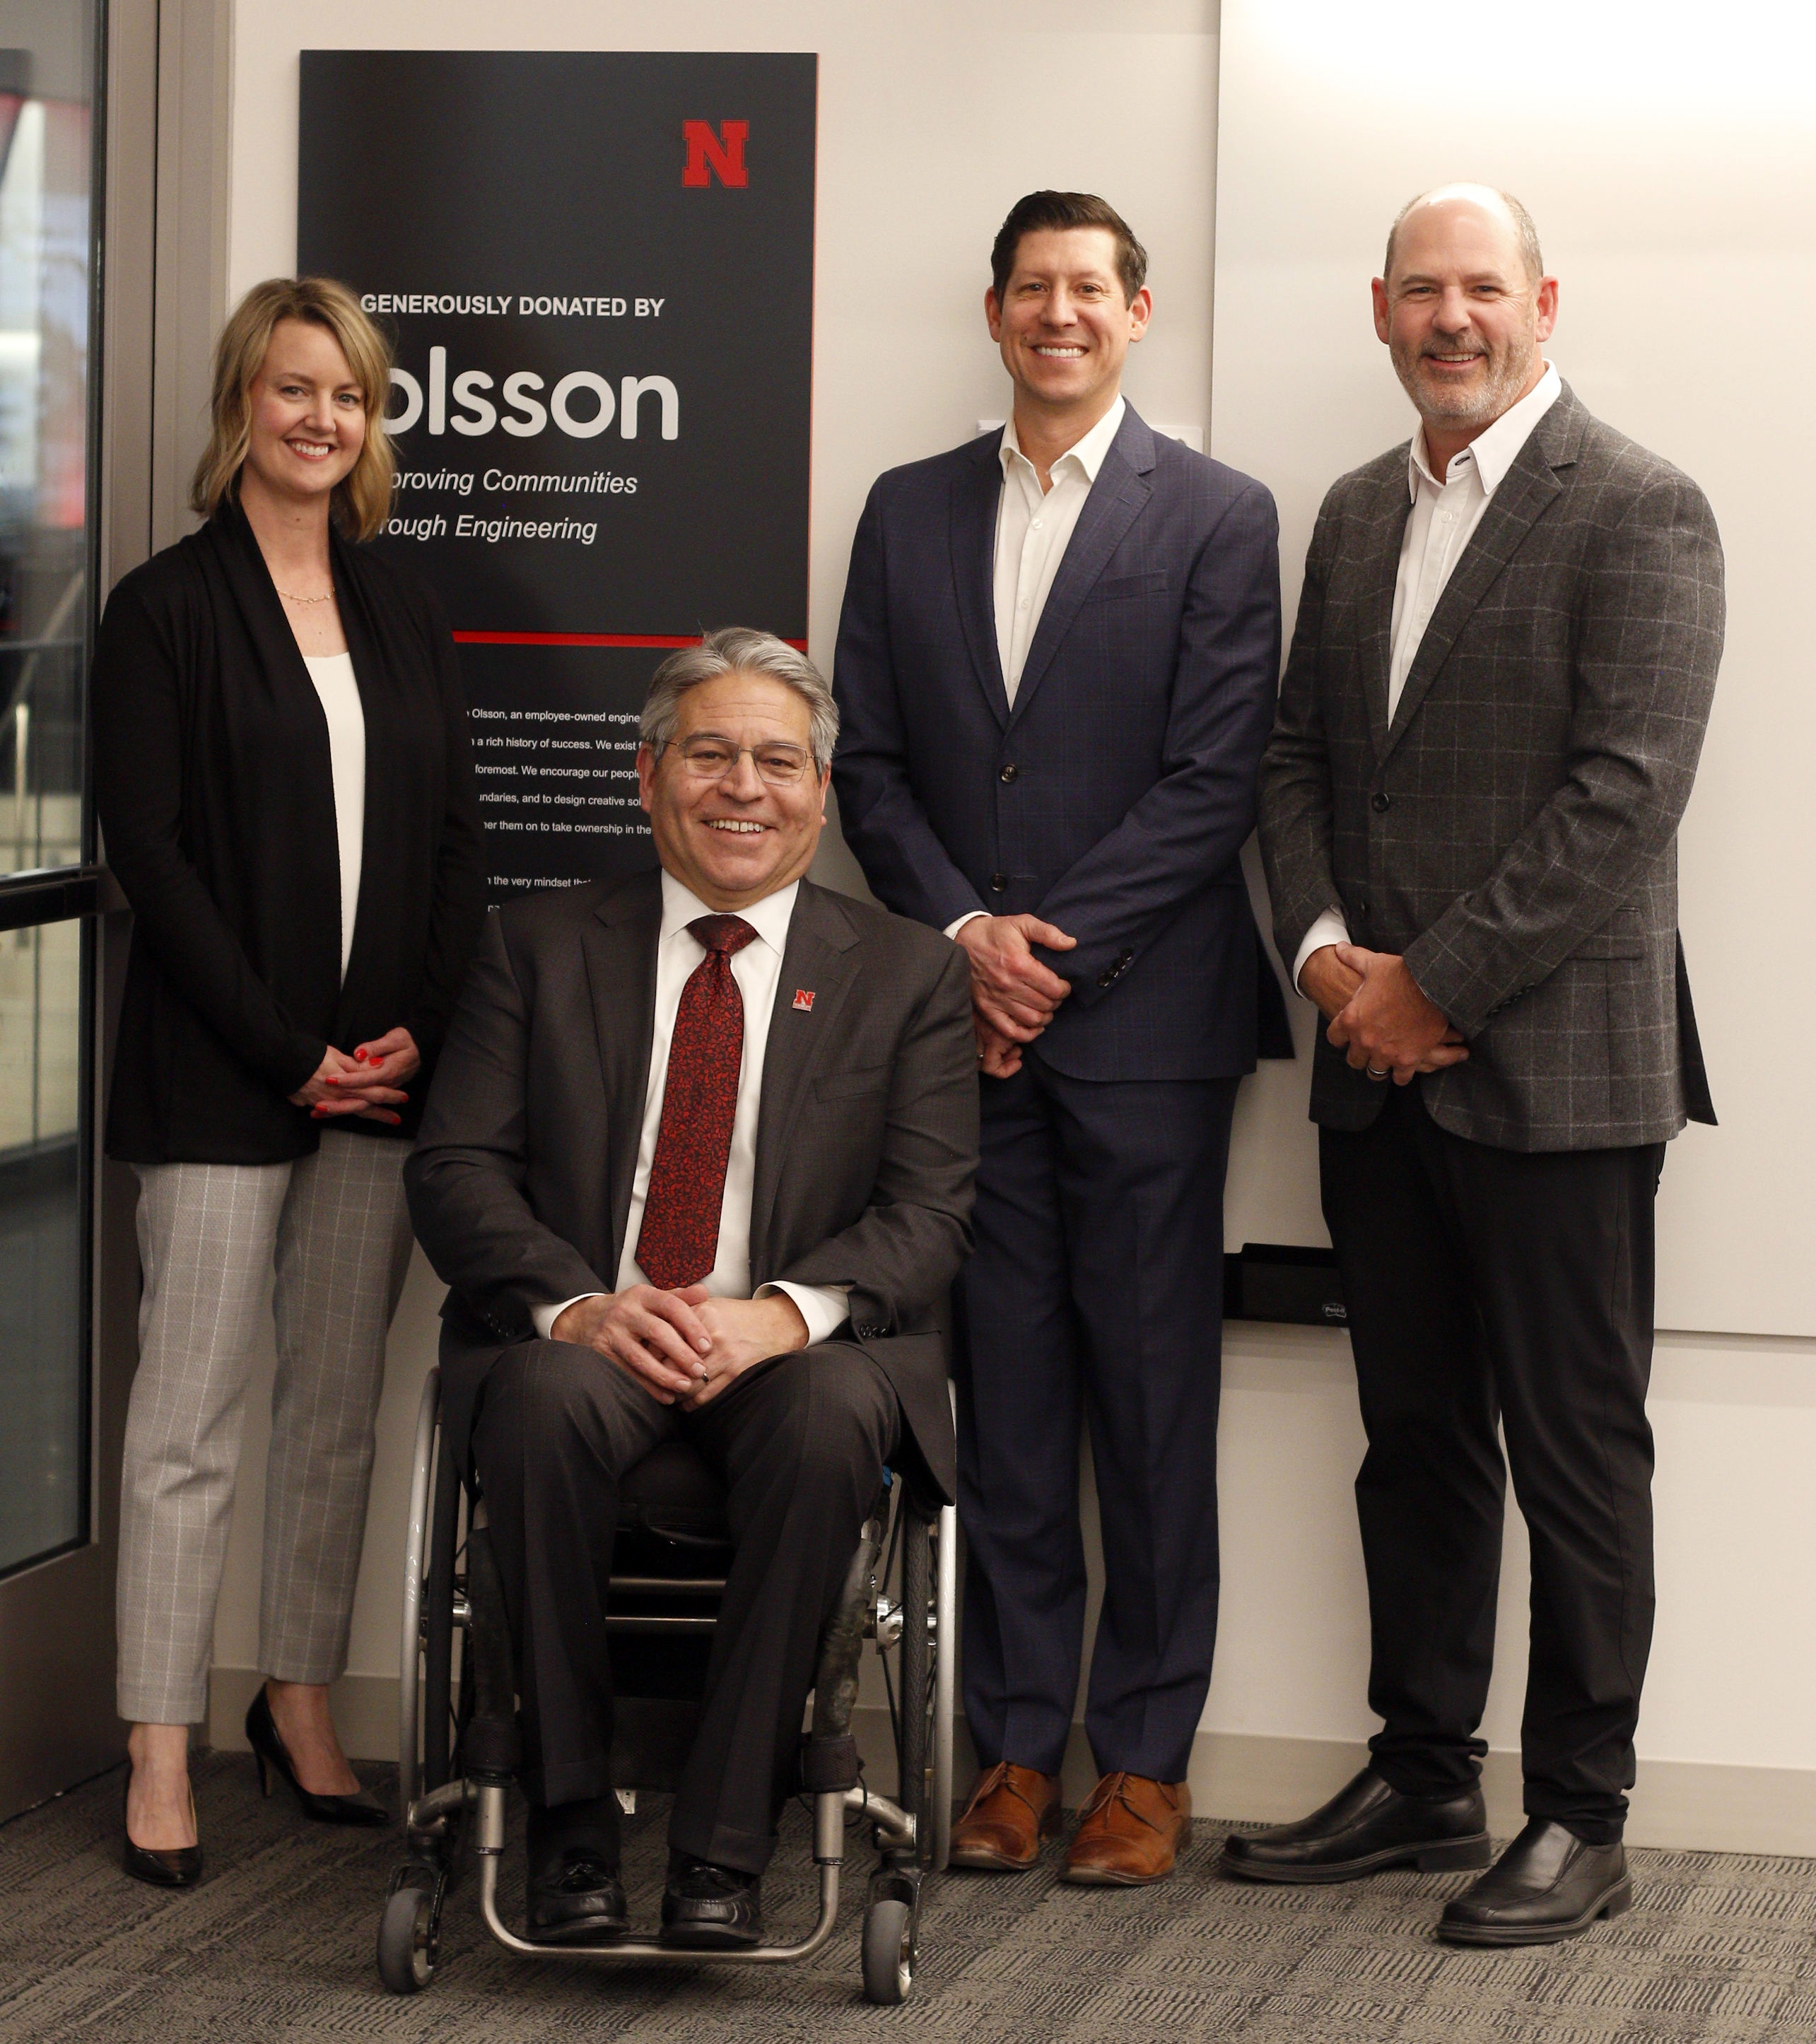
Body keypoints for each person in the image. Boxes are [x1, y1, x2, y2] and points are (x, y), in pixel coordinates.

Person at [1236, 186, 1723, 1945]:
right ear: (1377, 309)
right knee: (1414, 1437)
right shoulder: (1360, 512)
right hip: (1372, 1064)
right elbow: (1296, 765)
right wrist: (1322, 963)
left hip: (1560, 1074)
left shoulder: (1645, 506)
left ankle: (1580, 1816)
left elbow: (1623, 793)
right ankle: (1426, 1773)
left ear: (1541, 302)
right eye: (1421, 290)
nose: (1452, 317)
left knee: (1576, 1447)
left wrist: (1431, 984)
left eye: (1482, 289)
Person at [833, 192, 1288, 1887]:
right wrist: (965, 939)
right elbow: (862, 760)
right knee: (1005, 1399)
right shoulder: (907, 510)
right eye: (1032, 288)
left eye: (1088, 288)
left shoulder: (1218, 516)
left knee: (1155, 1404)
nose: (1058, 313)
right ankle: (1016, 1747)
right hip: (962, 1034)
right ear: (992, 309)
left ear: (1138, 311)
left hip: (1145, 1033)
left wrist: (1045, 960)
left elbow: (1213, 780)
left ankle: (1147, 1762)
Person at [405, 629, 977, 1950]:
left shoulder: (905, 974)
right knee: (539, 1402)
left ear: (821, 793)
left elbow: (930, 1211)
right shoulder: (533, 946)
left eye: (779, 761)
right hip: (587, 1344)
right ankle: (569, 1834)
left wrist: (776, 1317)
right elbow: (456, 1170)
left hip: (791, 1356)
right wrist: (584, 1307)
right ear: (648, 776)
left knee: (836, 1414)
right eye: (710, 754)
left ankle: (723, 1852)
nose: (744, 787)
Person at [93, 278, 487, 1888]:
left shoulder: (404, 605)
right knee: (186, 1424)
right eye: (293, 389)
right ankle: (160, 1746)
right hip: (219, 1076)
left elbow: (457, 840)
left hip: (381, 1080)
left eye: (351, 397)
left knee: (333, 1416)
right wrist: (284, 1049)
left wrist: (411, 1028)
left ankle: (300, 1703)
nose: (322, 420)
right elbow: (155, 858)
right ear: (240, 404)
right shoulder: (165, 608)